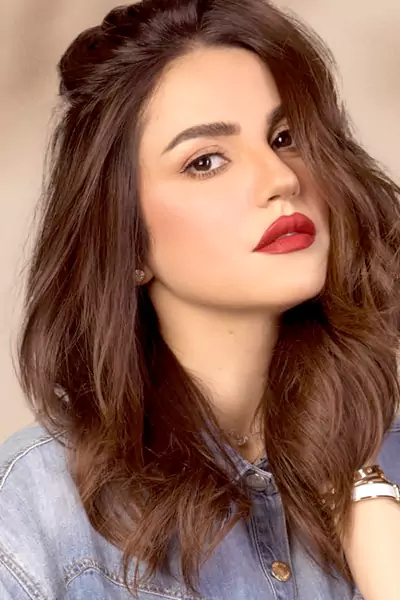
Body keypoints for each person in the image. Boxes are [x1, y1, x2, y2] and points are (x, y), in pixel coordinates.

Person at [1, 0, 399, 598]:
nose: (281, 178)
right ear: (126, 240)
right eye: (205, 161)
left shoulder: (387, 457)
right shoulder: (37, 506)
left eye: (285, 137)